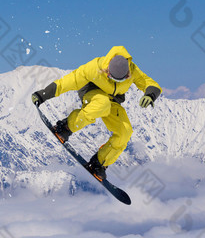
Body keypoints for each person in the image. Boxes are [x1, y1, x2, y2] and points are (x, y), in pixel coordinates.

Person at [31, 46, 162, 181]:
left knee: (125, 132)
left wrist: (150, 95)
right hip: (92, 93)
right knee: (102, 104)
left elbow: (148, 82)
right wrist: (42, 95)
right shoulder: (94, 67)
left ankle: (99, 163)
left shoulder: (132, 70)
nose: (115, 82)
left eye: (121, 80)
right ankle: (65, 127)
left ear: (127, 74)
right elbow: (69, 81)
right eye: (111, 77)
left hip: (114, 100)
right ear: (107, 71)